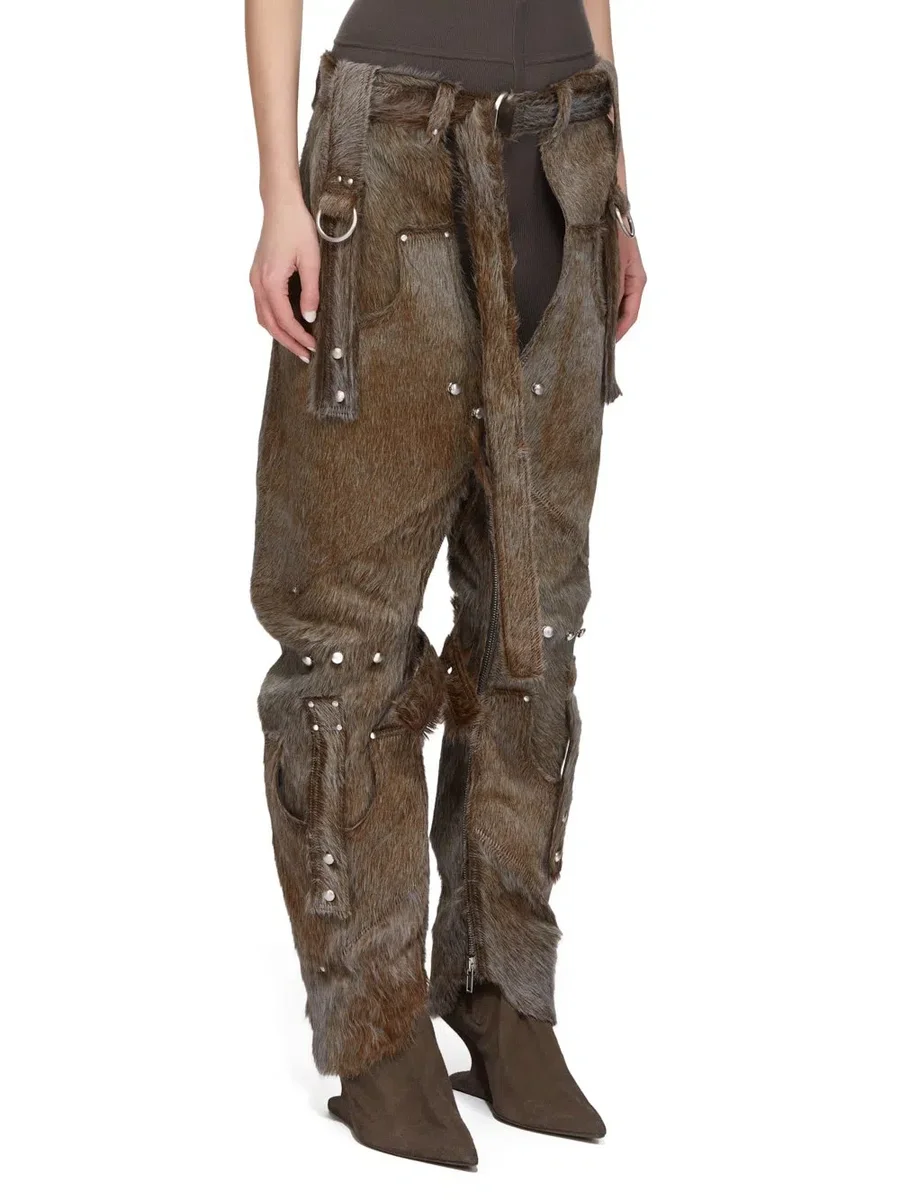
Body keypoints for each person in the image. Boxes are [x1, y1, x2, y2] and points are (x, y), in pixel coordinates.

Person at [245, 0, 646, 1168]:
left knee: (535, 626)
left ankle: (502, 989)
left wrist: (618, 190)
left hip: (563, 156)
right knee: (346, 637)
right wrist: (278, 197)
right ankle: (376, 1029)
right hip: (389, 158)